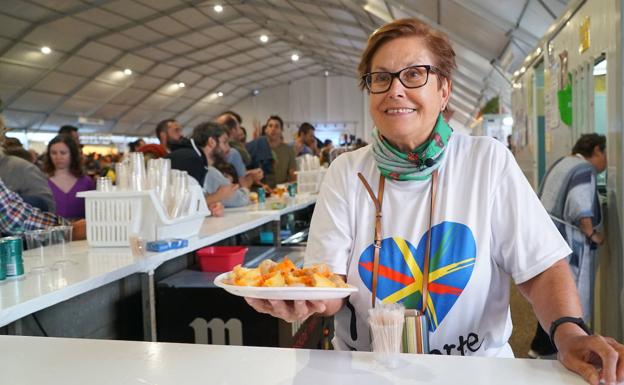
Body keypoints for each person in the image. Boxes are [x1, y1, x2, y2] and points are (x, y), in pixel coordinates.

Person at [245, 18, 624, 385]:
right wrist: (298, 299)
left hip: (476, 373)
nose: (395, 90)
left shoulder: (486, 162)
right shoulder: (346, 172)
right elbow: (329, 288)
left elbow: (540, 266)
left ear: (444, 90)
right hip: (368, 370)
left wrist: (568, 334)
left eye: (413, 75)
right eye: (380, 78)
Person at [529, 133, 607, 358]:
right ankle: (560, 349)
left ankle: (541, 346)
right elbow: (579, 205)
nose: (607, 162)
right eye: (606, 155)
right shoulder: (583, 169)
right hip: (568, 242)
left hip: (549, 237)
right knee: (569, 298)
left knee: (554, 296)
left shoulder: (563, 161)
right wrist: (592, 233)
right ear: (597, 150)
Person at [192, 122, 262, 208]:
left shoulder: (196, 166)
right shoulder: (209, 172)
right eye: (225, 142)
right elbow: (240, 199)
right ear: (212, 142)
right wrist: (248, 182)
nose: (228, 148)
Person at [44, 135, 95, 220]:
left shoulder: (86, 182)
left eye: (63, 153)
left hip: (82, 230)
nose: (58, 157)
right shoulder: (42, 181)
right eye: (53, 153)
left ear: (72, 154)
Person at [263, 115, 296, 187]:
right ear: (266, 129)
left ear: (281, 130)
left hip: (282, 190)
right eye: (270, 126)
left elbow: (293, 174)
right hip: (263, 191)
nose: (273, 129)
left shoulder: (288, 150)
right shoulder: (260, 148)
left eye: (276, 126)